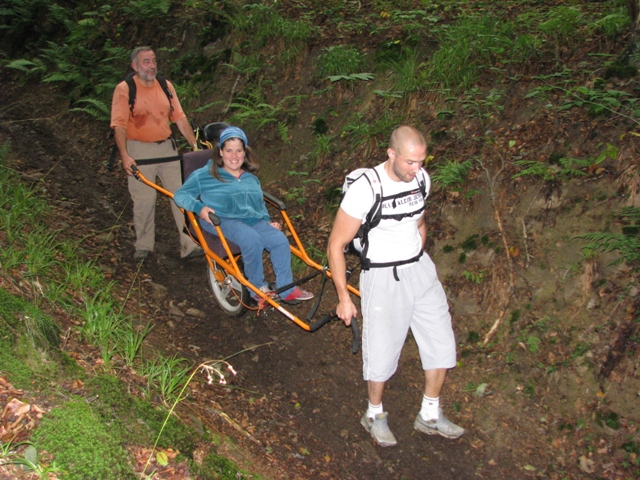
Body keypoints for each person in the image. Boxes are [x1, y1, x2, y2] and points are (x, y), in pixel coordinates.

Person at [326, 125, 465, 447]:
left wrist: (416, 252)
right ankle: (373, 414)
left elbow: (418, 220)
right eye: (410, 163)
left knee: (442, 343)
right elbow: (336, 244)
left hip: (421, 271)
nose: (417, 169)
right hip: (384, 277)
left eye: (421, 162)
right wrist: (344, 298)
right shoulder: (366, 189)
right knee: (382, 351)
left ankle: (430, 414)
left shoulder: (421, 179)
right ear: (391, 154)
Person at [173, 126, 315, 304]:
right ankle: (256, 288)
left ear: (245, 153)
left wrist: (267, 221)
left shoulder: (250, 179)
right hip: (220, 219)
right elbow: (181, 195)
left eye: (239, 150)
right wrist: (199, 207)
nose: (234, 156)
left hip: (251, 219)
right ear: (221, 153)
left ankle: (286, 289)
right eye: (229, 150)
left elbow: (259, 204)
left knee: (279, 240)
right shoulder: (205, 175)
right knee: (251, 239)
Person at [110, 46, 203, 262]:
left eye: (153, 61)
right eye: (145, 62)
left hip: (167, 149)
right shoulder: (125, 89)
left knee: (181, 195)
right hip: (139, 150)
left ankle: (189, 244)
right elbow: (119, 125)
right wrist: (125, 155)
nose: (151, 66)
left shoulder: (165, 86)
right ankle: (144, 246)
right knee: (144, 199)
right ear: (134, 65)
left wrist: (194, 145)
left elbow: (179, 117)